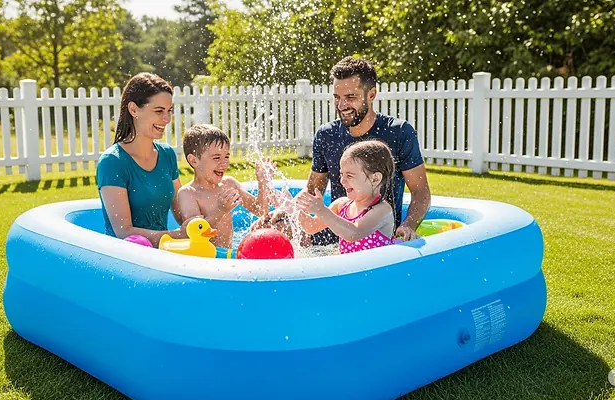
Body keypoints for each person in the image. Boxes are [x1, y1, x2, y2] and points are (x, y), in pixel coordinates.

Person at [256, 56, 431, 245]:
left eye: (350, 98)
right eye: (337, 98)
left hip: (373, 235)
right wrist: (287, 209)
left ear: (371, 95)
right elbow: (313, 189)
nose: (341, 106)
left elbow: (421, 193)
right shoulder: (326, 135)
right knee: (271, 228)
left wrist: (408, 225)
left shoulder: (398, 132)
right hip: (332, 228)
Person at [96, 72, 187, 247]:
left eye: (169, 111)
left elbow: (181, 214)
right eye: (159, 111)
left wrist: (217, 208)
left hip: (162, 253)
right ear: (133, 109)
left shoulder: (167, 155)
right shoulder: (112, 162)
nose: (167, 119)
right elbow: (124, 231)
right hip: (127, 259)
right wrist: (174, 236)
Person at [176, 124, 275, 249]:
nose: (224, 163)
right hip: (206, 258)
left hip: (228, 253)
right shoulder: (188, 194)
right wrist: (220, 211)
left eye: (227, 156)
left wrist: (263, 183)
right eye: (216, 158)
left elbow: (260, 211)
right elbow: (195, 232)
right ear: (194, 161)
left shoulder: (228, 184)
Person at [296, 140, 396, 254]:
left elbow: (354, 233)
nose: (342, 181)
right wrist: (290, 206)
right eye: (341, 174)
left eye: (349, 175)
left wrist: (321, 210)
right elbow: (311, 227)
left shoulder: (382, 210)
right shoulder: (342, 205)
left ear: (375, 179)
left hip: (374, 270)